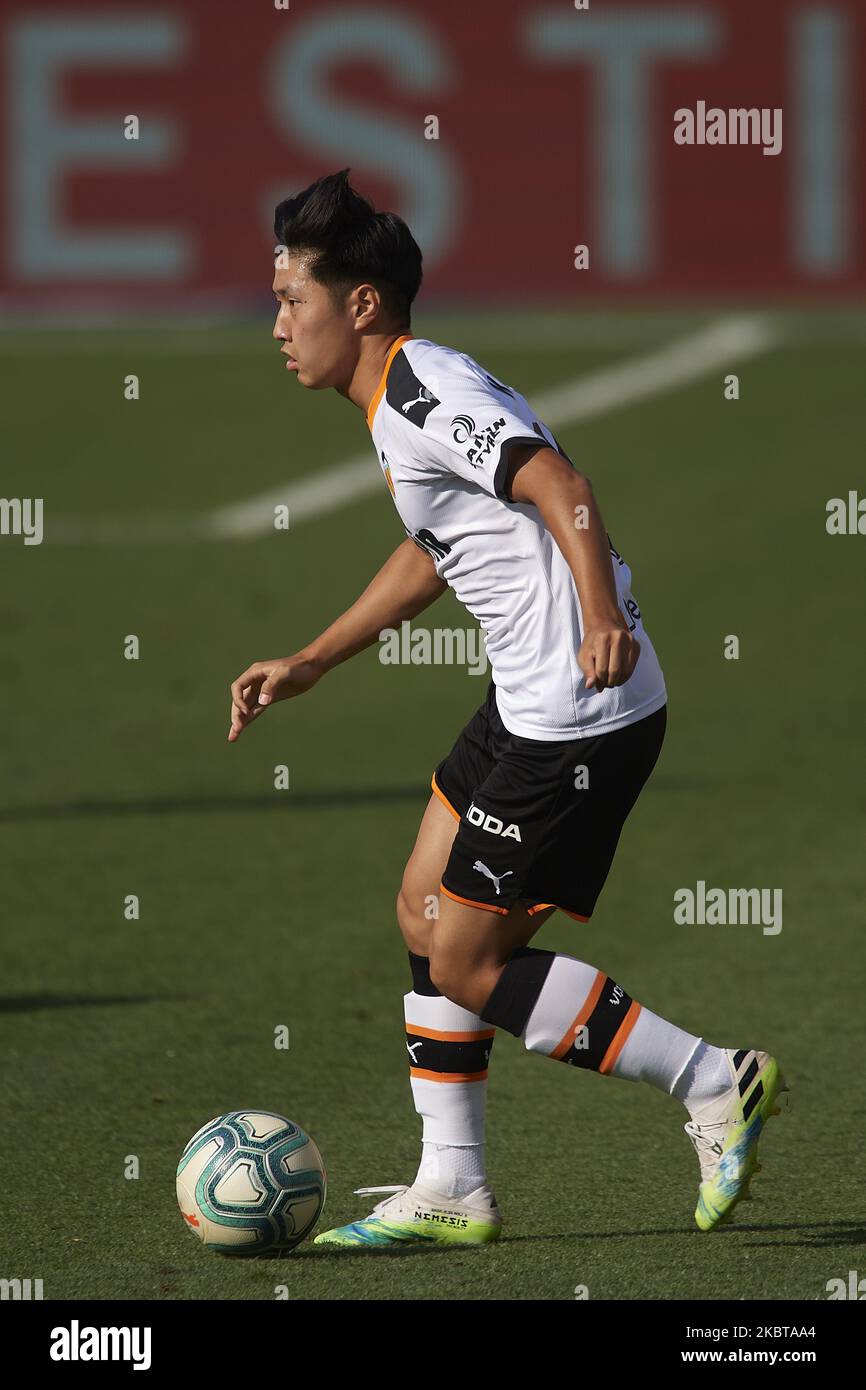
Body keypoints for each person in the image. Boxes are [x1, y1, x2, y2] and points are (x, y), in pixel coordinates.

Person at [228, 169, 787, 1247]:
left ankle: (713, 1083)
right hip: (528, 697)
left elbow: (556, 483)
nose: (276, 326)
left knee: (465, 963)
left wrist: (596, 614)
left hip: (573, 715)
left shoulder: (420, 391)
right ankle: (452, 1183)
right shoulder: (400, 398)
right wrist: (311, 659)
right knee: (419, 909)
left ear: (359, 305)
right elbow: (434, 549)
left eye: (291, 300)